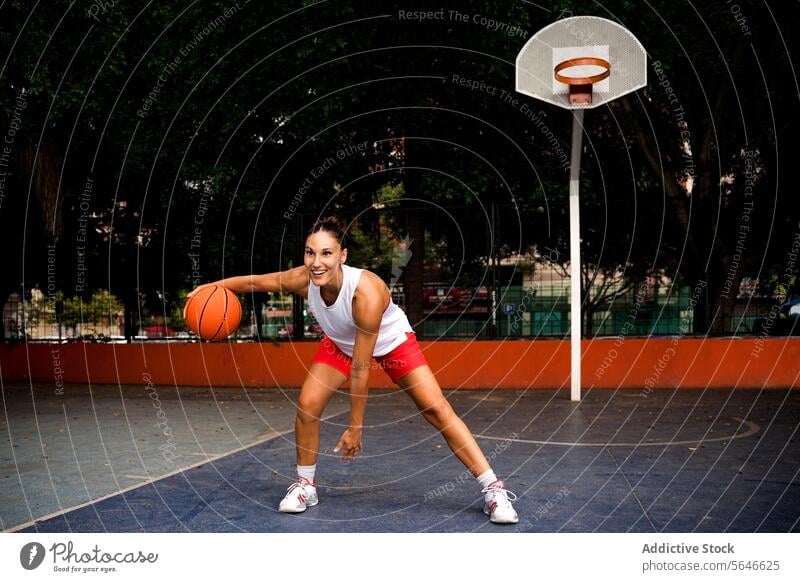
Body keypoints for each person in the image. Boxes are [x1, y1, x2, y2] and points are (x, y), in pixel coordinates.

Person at [188, 216, 518, 524]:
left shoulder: (367, 293)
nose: (317, 262)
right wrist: (209, 289)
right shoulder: (304, 279)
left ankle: (493, 489)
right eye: (310, 252)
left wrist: (355, 427)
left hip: (390, 342)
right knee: (307, 406)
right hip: (341, 343)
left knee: (436, 409)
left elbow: (362, 368)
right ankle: (306, 485)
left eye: (326, 253)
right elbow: (255, 282)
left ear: (342, 255)